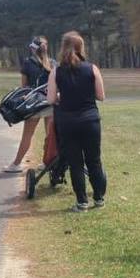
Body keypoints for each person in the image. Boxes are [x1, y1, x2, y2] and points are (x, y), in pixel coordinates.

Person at [46, 31, 107, 212]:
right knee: (94, 161)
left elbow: (50, 100)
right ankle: (99, 198)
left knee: (76, 163)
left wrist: (60, 96)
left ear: (62, 48)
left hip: (67, 122)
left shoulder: (56, 72)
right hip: (90, 121)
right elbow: (101, 96)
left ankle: (81, 202)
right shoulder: (92, 68)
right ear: (81, 48)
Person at [3, 36, 55, 173]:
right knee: (50, 136)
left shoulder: (27, 63)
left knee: (27, 135)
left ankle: (16, 164)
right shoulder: (53, 63)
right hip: (50, 103)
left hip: (33, 104)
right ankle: (47, 163)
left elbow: (24, 87)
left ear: (33, 48)